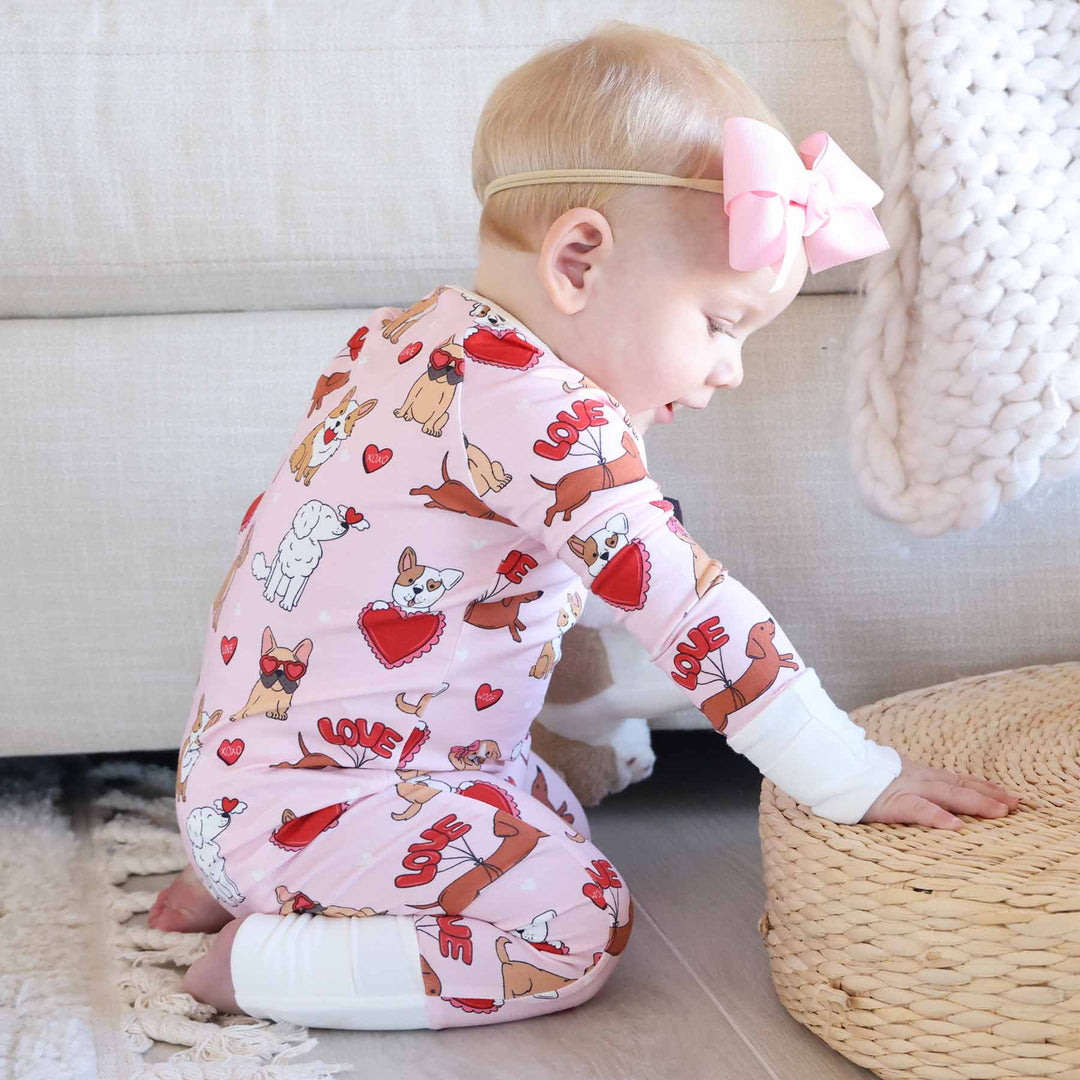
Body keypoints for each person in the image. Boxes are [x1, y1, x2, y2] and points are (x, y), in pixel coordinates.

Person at [153, 20, 1019, 1031]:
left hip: (238, 779)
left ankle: (246, 870)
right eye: (719, 324)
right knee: (575, 924)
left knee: (555, 813)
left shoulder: (410, 339)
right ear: (577, 261)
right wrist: (851, 775)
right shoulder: (551, 418)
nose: (728, 371)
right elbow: (692, 612)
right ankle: (260, 961)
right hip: (324, 802)